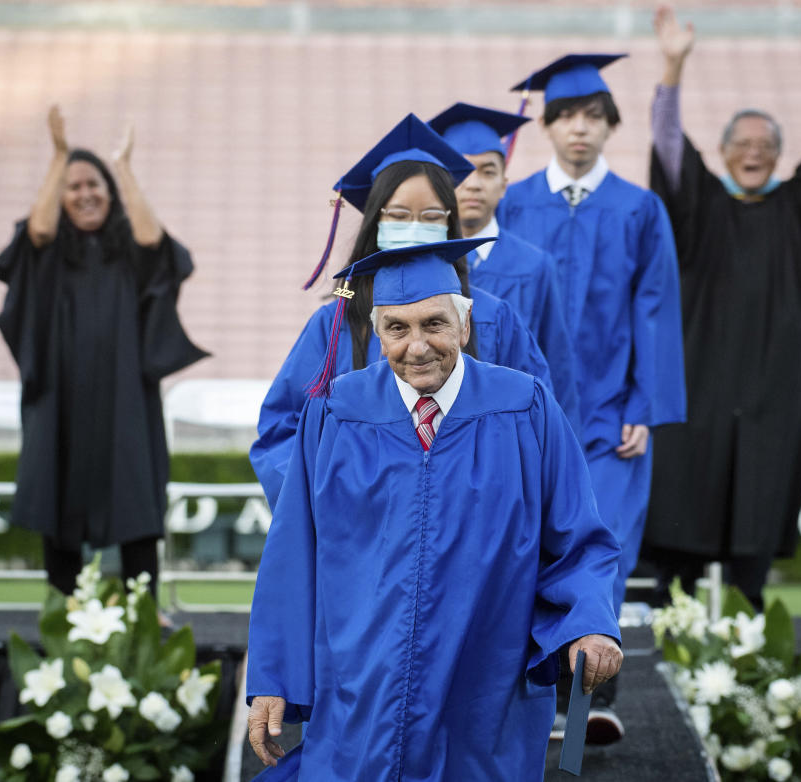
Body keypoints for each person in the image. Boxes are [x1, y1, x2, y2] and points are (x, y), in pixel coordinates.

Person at [246, 237, 623, 781]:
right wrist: (273, 679)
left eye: (434, 324)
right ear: (377, 335)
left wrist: (591, 624)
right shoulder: (335, 415)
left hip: (485, 684)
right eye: (397, 328)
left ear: (465, 326)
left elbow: (577, 540)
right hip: (361, 689)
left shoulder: (525, 406)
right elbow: (292, 556)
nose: (417, 346)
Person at [643, 7, 801, 610]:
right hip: (700, 371)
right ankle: (674, 610)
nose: (753, 152)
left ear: (778, 155)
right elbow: (667, 147)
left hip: (776, 373)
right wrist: (673, 66)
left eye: (766, 145)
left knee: (763, 487)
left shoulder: (797, 205)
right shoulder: (701, 204)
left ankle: (749, 610)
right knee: (687, 480)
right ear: (721, 151)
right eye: (741, 143)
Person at [498, 54, 686, 742]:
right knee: (524, 553)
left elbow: (656, 309)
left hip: (609, 419)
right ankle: (525, 704)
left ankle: (586, 709)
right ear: (547, 126)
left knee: (599, 555)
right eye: (568, 116)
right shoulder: (513, 203)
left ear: (611, 127)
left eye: (595, 117)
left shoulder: (639, 209)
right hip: (530, 417)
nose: (581, 129)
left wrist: (645, 406)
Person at [250, 114, 555, 508]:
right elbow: (281, 432)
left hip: (473, 521)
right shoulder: (335, 324)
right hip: (362, 525)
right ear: (375, 223)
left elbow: (540, 424)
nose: (414, 227)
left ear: (450, 224)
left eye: (430, 216)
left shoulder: (493, 317)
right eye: (397, 215)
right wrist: (330, 500)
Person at [0, 106, 208, 598]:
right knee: (56, 486)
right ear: (60, 196)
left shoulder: (128, 250)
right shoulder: (45, 254)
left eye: (96, 185)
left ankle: (144, 611)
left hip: (125, 395)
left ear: (111, 195)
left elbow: (156, 241)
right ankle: (64, 613)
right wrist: (60, 157)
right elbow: (39, 231)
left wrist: (124, 168)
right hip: (59, 392)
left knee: (135, 494)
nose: (86, 193)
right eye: (75, 187)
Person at [427, 102, 581, 429]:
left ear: (504, 185)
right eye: (462, 172)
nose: (474, 184)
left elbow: (557, 362)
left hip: (510, 429)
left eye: (488, 171)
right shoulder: (423, 262)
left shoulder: (535, 266)